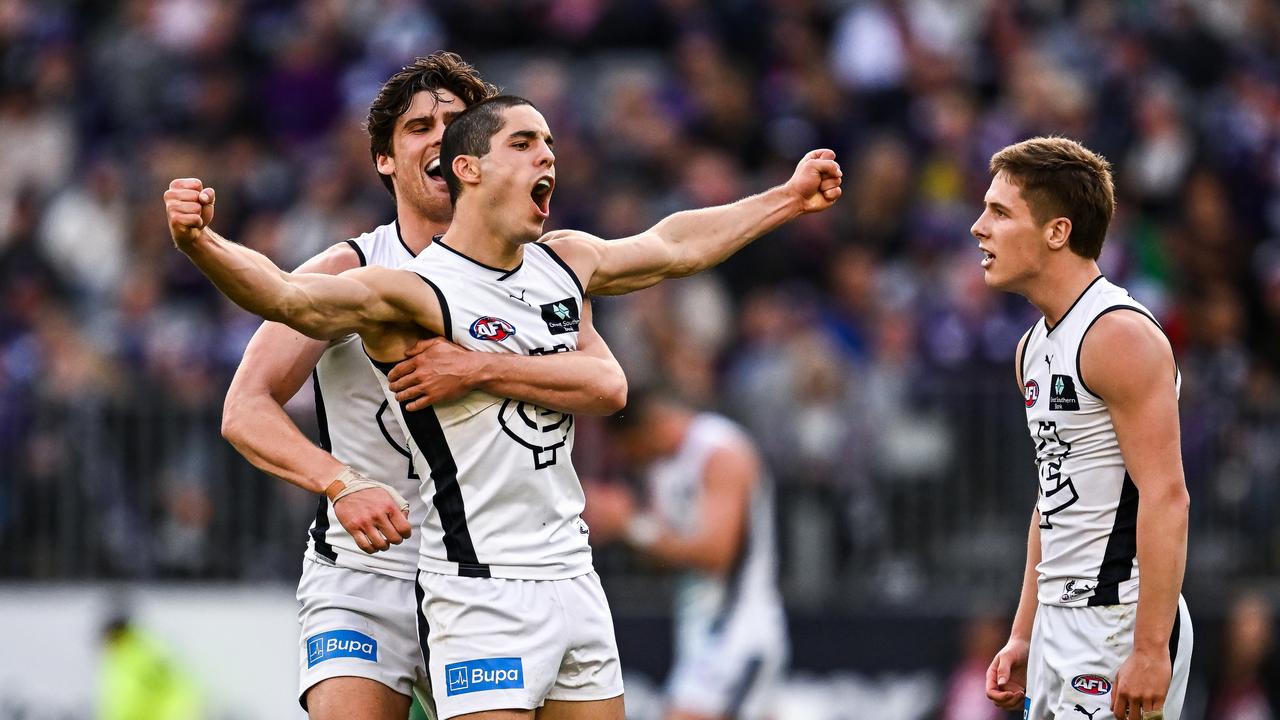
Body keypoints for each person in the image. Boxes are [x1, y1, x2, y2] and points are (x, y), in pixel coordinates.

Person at [165, 94, 841, 720]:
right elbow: (290, 301)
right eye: (524, 142)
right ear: (471, 169)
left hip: (574, 576)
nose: (547, 154)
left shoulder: (561, 264)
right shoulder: (414, 291)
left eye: (548, 141)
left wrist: (785, 199)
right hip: (478, 586)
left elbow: (672, 247)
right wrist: (201, 243)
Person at [218, 54, 627, 720]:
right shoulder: (352, 267)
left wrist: (478, 368)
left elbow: (605, 379)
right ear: (385, 159)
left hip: (484, 571)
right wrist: (339, 483)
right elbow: (245, 408)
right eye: (419, 127)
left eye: (456, 123)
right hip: (366, 572)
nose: (440, 136)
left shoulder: (534, 272)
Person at [974, 137, 1193, 720]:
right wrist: (1024, 632)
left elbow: (1167, 495)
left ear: (1057, 231)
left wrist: (1149, 647)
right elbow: (1052, 498)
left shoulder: (1118, 335)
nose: (979, 227)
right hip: (1057, 624)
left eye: (999, 212)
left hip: (1119, 621)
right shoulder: (1032, 347)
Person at [584, 390, 788, 720]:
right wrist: (624, 524)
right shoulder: (661, 468)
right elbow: (665, 552)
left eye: (629, 450)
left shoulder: (721, 454)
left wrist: (630, 525)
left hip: (737, 632)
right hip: (699, 632)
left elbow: (716, 555)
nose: (629, 460)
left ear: (647, 429)